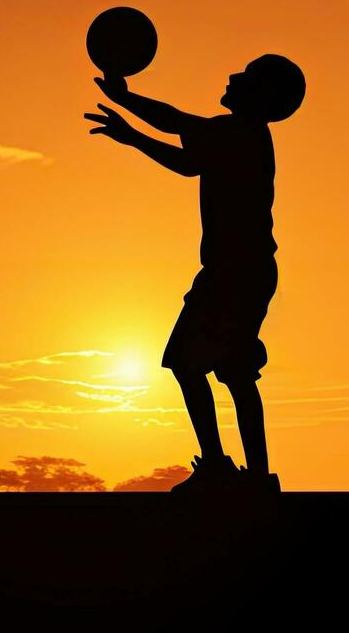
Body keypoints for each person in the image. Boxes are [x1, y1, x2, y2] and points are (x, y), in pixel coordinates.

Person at [84, 54, 305, 496]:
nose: (231, 74)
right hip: (242, 270)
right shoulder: (241, 136)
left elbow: (176, 124)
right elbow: (188, 156)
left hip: (235, 273)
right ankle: (252, 475)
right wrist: (130, 114)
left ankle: (227, 470)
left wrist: (129, 115)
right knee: (232, 371)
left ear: (261, 96)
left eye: (245, 75)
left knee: (190, 364)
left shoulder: (240, 133)